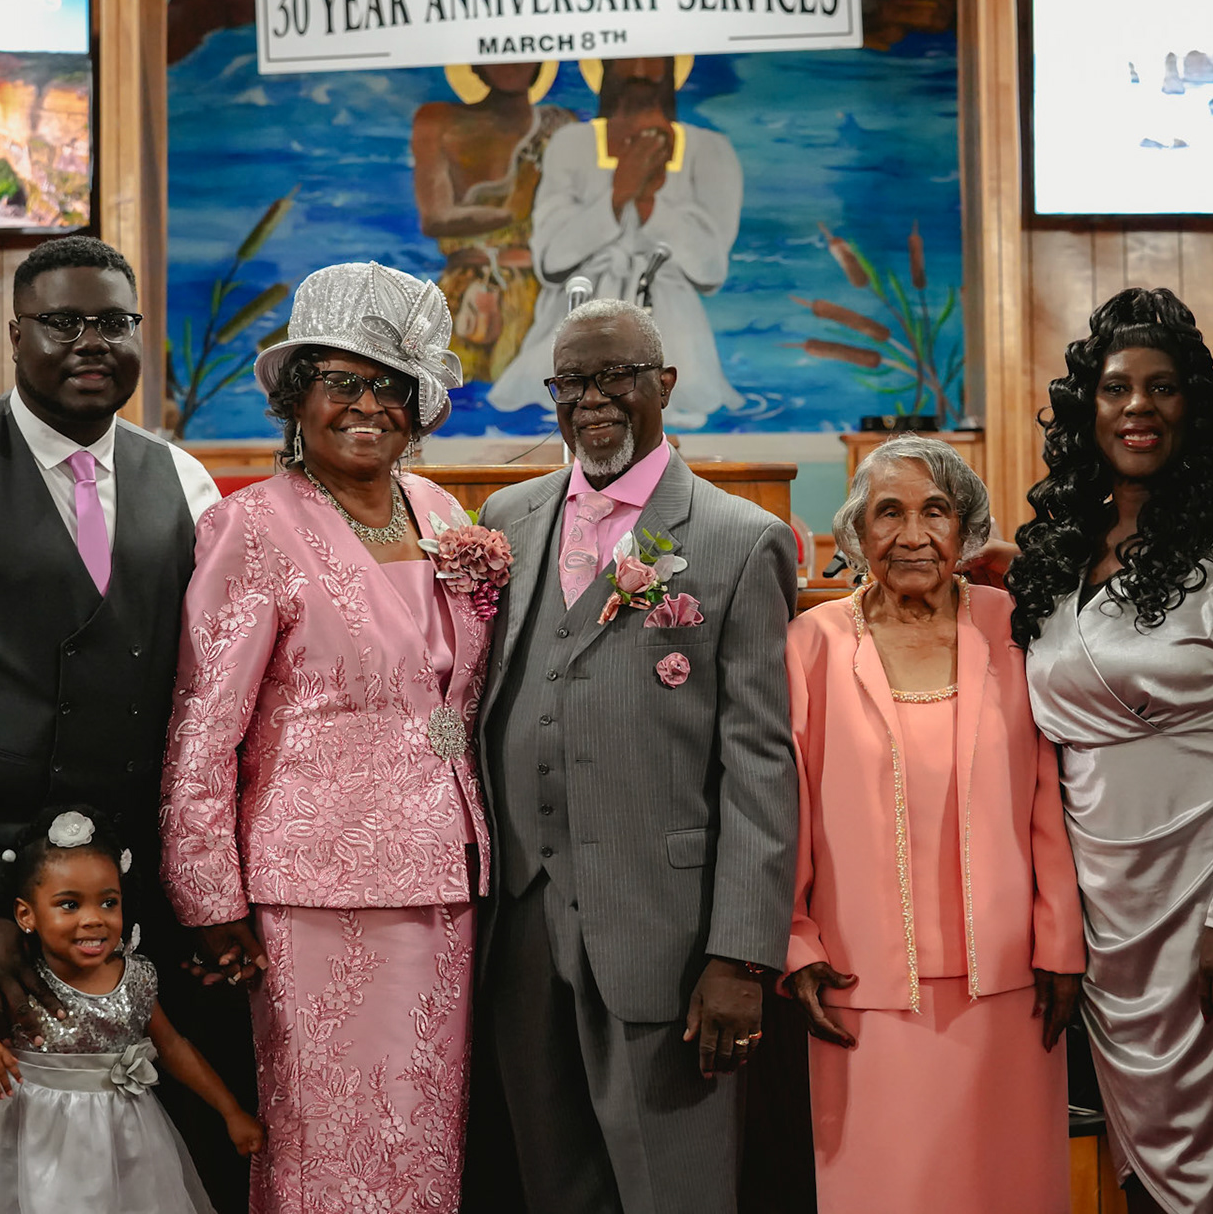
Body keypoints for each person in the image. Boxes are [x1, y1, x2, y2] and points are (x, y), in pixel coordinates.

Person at [0, 234, 252, 1210]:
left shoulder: (183, 482)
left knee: (142, 1133)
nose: (91, 341)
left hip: (124, 884)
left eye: (112, 321)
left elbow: (213, 697)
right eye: (63, 321)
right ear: (15, 334)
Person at [159, 261, 498, 1214]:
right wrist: (209, 895)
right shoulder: (249, 527)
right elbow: (203, 725)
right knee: (329, 1134)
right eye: (342, 382)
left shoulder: (442, 513)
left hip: (448, 874)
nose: (368, 406)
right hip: (314, 887)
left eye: (391, 386)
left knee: (425, 1127)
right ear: (296, 397)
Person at [464, 298, 797, 1214]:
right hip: (523, 925)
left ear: (665, 384)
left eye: (617, 376)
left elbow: (761, 766)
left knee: (674, 1193)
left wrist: (741, 956)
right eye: (572, 381)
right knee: (552, 1187)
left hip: (667, 934)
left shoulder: (738, 538)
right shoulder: (508, 517)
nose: (594, 398)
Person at [1008, 288, 1213, 1214]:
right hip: (1102, 905)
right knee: (1135, 1155)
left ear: (1194, 407)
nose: (1138, 406)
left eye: (1163, 387)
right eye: (1116, 388)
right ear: (1087, 407)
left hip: (1211, 884)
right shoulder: (1057, 554)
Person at [783, 435, 1085, 1214]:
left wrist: (1061, 942)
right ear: (856, 530)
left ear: (966, 527)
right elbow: (788, 809)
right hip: (863, 988)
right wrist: (796, 942)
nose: (913, 535)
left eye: (936, 512)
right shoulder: (813, 642)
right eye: (889, 512)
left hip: (1011, 986)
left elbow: (1049, 793)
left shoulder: (1013, 625)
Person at [0, 807, 263, 1214]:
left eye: (108, 902)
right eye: (69, 904)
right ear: (26, 914)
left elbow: (172, 1047)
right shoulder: (18, 983)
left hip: (123, 1147)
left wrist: (230, 1111)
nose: (93, 919)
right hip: (31, 1146)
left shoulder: (137, 978)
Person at [487, 56, 745, 429]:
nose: (639, 72)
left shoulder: (709, 150)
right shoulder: (571, 144)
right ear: (605, 71)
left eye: (651, 65)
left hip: (675, 330)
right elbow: (551, 260)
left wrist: (648, 203)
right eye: (627, 67)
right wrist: (619, 193)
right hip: (578, 318)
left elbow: (711, 270)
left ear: (671, 72)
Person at [412, 62, 577, 383]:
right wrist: (511, 211)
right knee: (451, 386)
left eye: (520, 53)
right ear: (476, 64)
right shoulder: (439, 120)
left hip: (537, 295)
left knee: (541, 386)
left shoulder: (558, 127)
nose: (510, 63)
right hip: (463, 288)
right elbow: (434, 219)